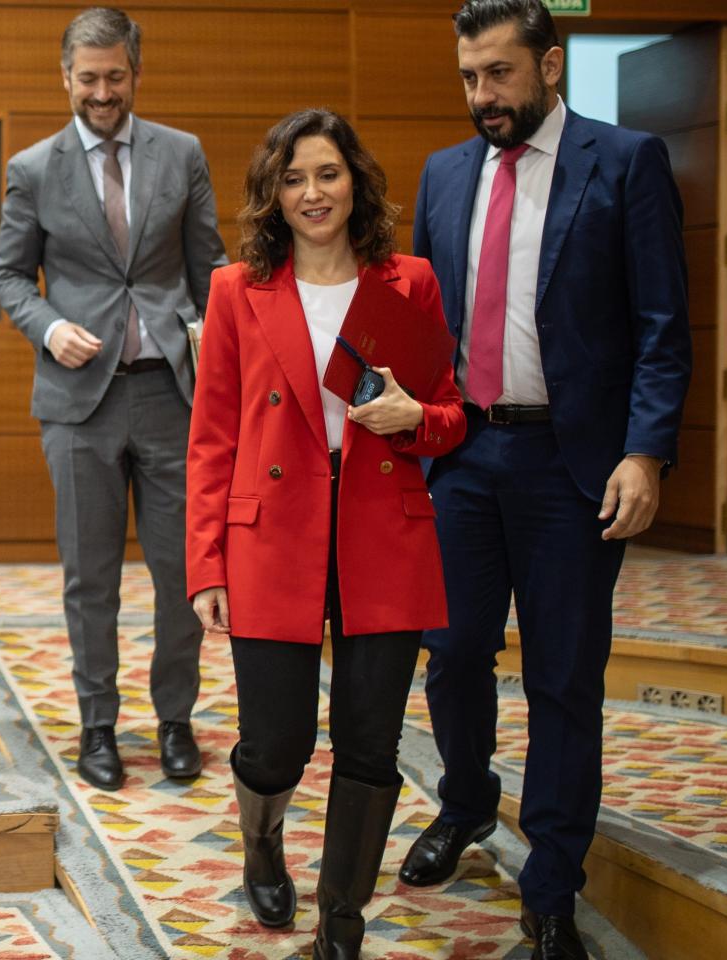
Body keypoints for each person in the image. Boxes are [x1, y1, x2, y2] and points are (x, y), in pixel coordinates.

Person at [397, 3, 692, 957]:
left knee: (566, 680)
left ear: (550, 65)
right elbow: (421, 323)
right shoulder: (444, 173)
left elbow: (660, 327)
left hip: (574, 469)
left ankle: (554, 875)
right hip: (464, 457)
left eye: (500, 74)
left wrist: (644, 453)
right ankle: (469, 803)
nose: (483, 95)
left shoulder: (627, 161)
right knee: (451, 657)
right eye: (470, 77)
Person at [186, 109, 464, 959]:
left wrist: (415, 416)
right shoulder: (238, 288)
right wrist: (206, 563)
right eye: (295, 177)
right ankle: (262, 841)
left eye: (329, 174)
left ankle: (342, 917)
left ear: (356, 183)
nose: (313, 193)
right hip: (272, 535)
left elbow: (449, 416)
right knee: (277, 743)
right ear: (274, 192)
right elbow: (213, 434)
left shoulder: (406, 280)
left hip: (384, 531)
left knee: (370, 741)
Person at [0, 7, 226, 792]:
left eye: (114, 78)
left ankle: (174, 721)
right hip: (77, 403)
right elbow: (7, 278)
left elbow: (209, 270)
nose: (102, 93)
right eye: (87, 79)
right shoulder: (33, 168)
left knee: (180, 572)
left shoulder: (181, 153)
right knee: (89, 575)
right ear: (65, 78)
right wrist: (48, 325)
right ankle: (97, 726)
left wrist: (211, 350)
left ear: (135, 73)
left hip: (171, 396)